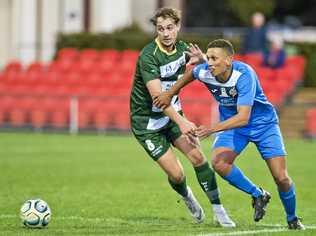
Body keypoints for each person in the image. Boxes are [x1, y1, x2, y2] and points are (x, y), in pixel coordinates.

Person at [153, 39, 305, 230]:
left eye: (214, 58)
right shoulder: (205, 71)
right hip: (234, 127)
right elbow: (192, 73)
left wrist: (211, 129)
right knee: (219, 163)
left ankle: (292, 218)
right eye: (207, 58)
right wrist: (170, 93)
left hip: (263, 125)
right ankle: (258, 194)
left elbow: (243, 117)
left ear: (228, 60)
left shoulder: (244, 75)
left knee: (281, 178)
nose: (209, 62)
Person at [129, 8, 235, 227]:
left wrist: (203, 59)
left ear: (177, 26)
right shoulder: (148, 56)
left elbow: (211, 70)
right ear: (156, 31)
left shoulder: (183, 49)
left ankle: (219, 210)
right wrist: (183, 122)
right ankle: (187, 196)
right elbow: (159, 99)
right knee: (177, 175)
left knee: (198, 158)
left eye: (169, 28)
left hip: (172, 117)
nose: (166, 33)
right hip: (147, 124)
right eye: (160, 29)